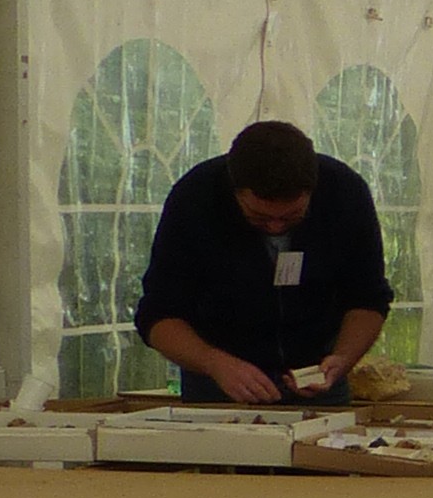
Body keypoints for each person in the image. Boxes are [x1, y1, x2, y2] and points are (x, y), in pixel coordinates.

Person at [133, 120, 393, 405]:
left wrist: (343, 358)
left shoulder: (346, 193)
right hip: (219, 384)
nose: (275, 227)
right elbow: (159, 313)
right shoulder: (195, 197)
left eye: (291, 216)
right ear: (234, 191)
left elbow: (368, 299)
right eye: (259, 217)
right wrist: (214, 362)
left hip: (319, 379)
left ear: (312, 190)